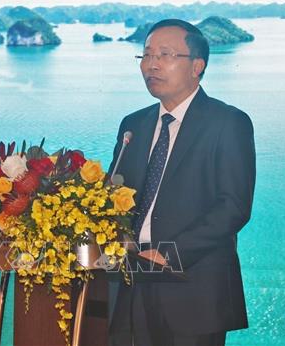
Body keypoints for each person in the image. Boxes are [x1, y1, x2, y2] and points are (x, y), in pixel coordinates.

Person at [108, 19, 256, 346]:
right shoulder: (133, 124)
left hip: (191, 286)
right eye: (146, 55)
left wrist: (169, 255)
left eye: (166, 54)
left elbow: (233, 206)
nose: (152, 64)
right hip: (129, 282)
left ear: (196, 67)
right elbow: (113, 194)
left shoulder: (228, 122)